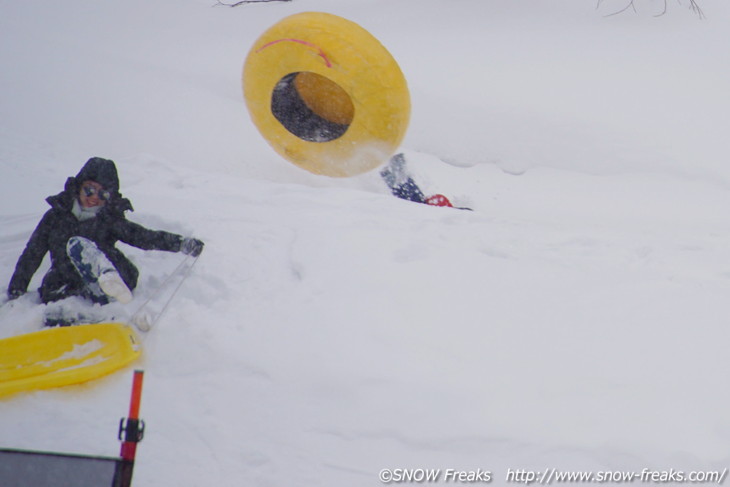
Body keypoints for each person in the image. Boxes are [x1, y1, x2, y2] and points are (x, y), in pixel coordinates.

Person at [7, 157, 204, 306]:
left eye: (103, 193)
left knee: (99, 257)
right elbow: (32, 253)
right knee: (54, 288)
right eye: (90, 190)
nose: (94, 197)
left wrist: (181, 243)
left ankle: (107, 289)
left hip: (110, 273)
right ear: (79, 187)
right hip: (66, 276)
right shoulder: (55, 216)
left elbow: (143, 237)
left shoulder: (108, 218)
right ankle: (71, 311)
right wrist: (16, 289)